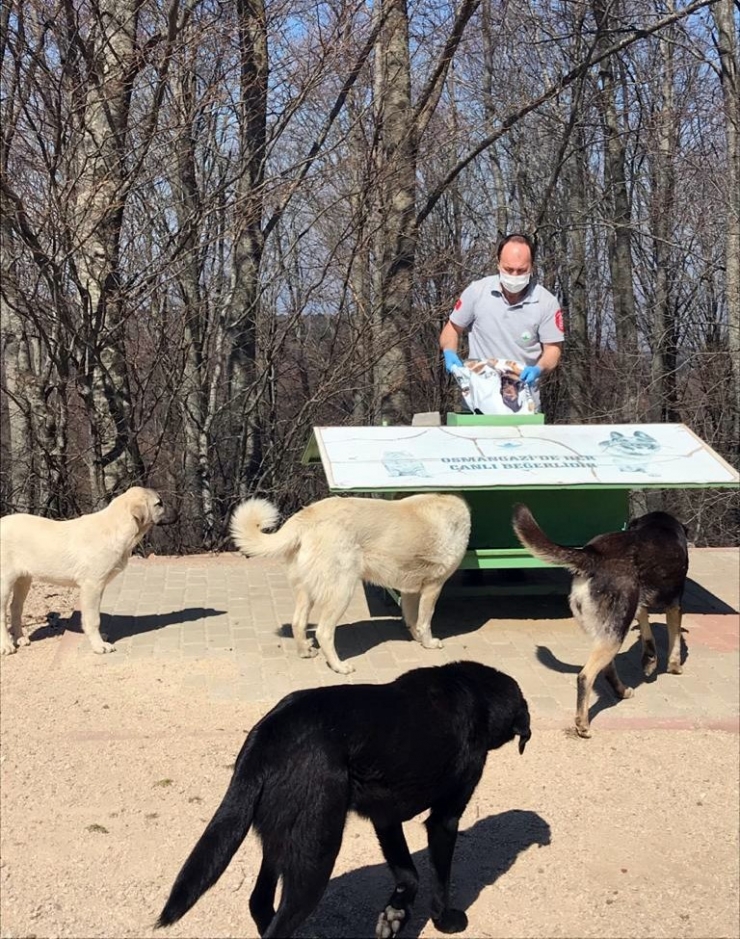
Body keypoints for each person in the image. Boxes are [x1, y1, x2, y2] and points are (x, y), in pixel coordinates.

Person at [439, 232, 564, 412]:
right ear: (498, 264)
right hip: (477, 404)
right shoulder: (477, 292)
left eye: (521, 270)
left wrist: (539, 368)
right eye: (508, 269)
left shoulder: (546, 302)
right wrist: (450, 352)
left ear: (532, 267)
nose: (514, 275)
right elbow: (452, 328)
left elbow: (553, 349)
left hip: (523, 406)